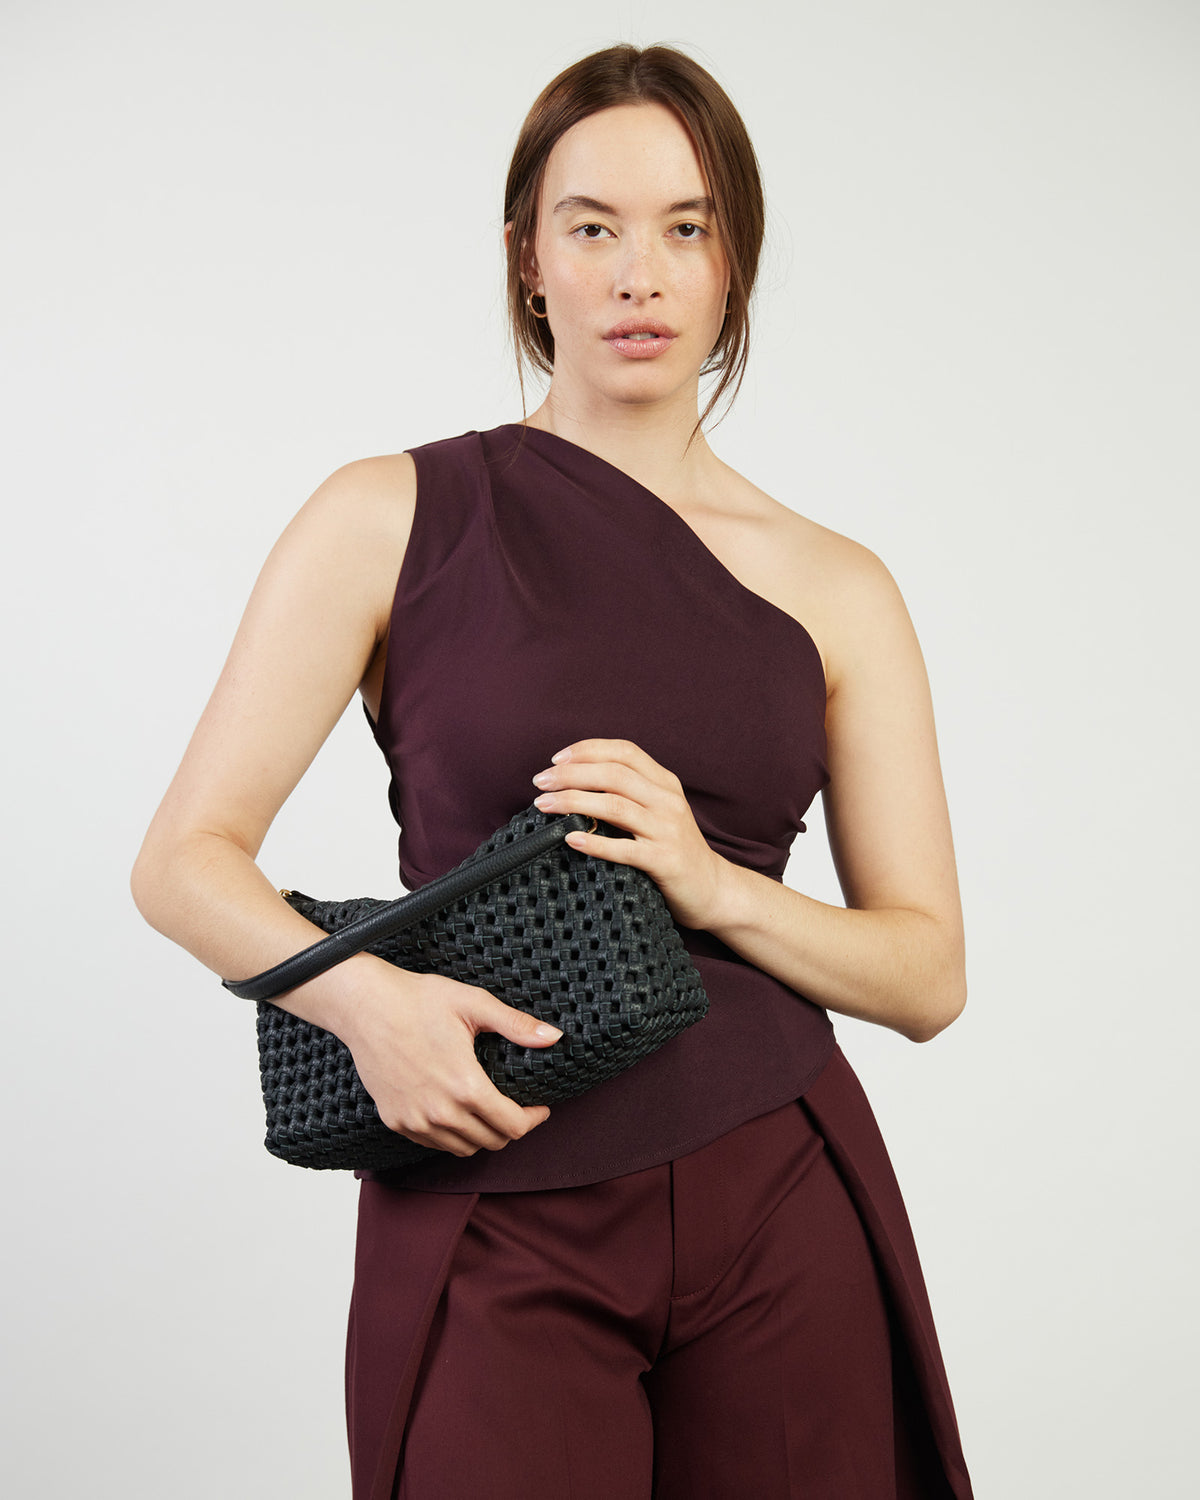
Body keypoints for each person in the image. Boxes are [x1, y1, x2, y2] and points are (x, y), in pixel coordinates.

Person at [132, 41, 973, 1500]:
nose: (639, 276)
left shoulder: (839, 586)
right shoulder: (391, 514)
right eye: (593, 228)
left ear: (732, 262)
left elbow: (926, 976)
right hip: (488, 1177)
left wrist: (713, 884)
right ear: (528, 258)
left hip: (778, 1187)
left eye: (685, 228)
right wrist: (367, 1005)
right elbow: (182, 861)